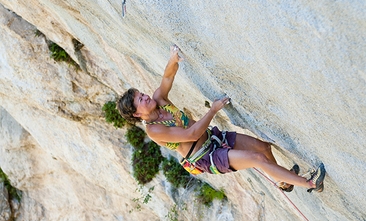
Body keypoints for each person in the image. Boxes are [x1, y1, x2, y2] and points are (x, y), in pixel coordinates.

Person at [117, 45, 325, 192]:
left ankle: (282, 181)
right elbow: (191, 133)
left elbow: (167, 78)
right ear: (137, 113)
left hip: (214, 138)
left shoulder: (159, 99)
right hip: (206, 156)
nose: (145, 96)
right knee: (257, 159)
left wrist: (173, 59)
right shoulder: (154, 130)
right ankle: (309, 183)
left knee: (263, 148)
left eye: (141, 94)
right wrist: (213, 110)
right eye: (140, 100)